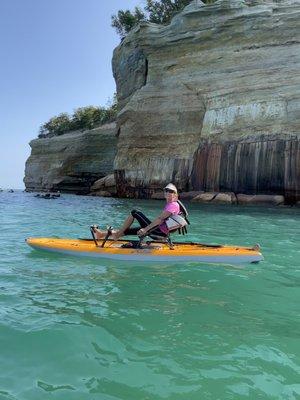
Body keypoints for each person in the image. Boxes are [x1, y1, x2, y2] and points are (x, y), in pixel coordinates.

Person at [93, 183, 181, 241]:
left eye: (171, 191)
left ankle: (117, 235)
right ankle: (101, 235)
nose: (168, 192)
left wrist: (146, 229)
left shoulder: (173, 205)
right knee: (128, 230)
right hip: (159, 231)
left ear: (175, 194)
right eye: (166, 190)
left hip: (158, 232)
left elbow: (159, 220)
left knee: (135, 213)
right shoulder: (172, 204)